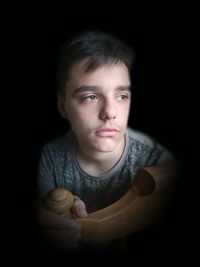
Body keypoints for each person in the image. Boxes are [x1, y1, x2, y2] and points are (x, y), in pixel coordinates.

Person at [33, 29, 176, 254]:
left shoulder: (160, 163)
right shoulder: (49, 158)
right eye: (91, 97)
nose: (110, 112)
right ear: (63, 107)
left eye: (121, 96)